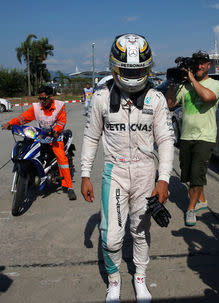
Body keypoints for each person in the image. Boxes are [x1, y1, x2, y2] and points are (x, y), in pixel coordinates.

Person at [80, 33, 174, 303]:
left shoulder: (156, 99)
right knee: (111, 238)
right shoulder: (100, 97)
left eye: (139, 70)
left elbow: (166, 139)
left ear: (148, 68)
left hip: (146, 173)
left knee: (141, 231)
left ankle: (140, 277)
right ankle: (114, 280)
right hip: (115, 172)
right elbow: (90, 137)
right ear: (114, 67)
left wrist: (164, 179)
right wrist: (85, 174)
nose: (133, 75)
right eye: (128, 70)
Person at [165, 51, 219, 226]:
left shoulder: (215, 84)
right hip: (186, 136)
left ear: (208, 65)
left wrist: (191, 79)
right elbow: (170, 104)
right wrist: (173, 84)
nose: (199, 66)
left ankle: (190, 210)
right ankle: (202, 200)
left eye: (203, 63)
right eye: (197, 63)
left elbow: (207, 97)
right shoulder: (185, 86)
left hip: (205, 137)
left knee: (197, 175)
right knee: (188, 173)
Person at [2, 86, 77, 200]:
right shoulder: (36, 107)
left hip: (55, 138)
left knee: (62, 159)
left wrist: (56, 131)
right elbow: (23, 118)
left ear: (51, 97)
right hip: (40, 135)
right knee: (28, 149)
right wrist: (10, 123)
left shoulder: (59, 106)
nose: (41, 101)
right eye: (39, 99)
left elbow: (62, 122)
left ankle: (69, 187)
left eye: (43, 98)